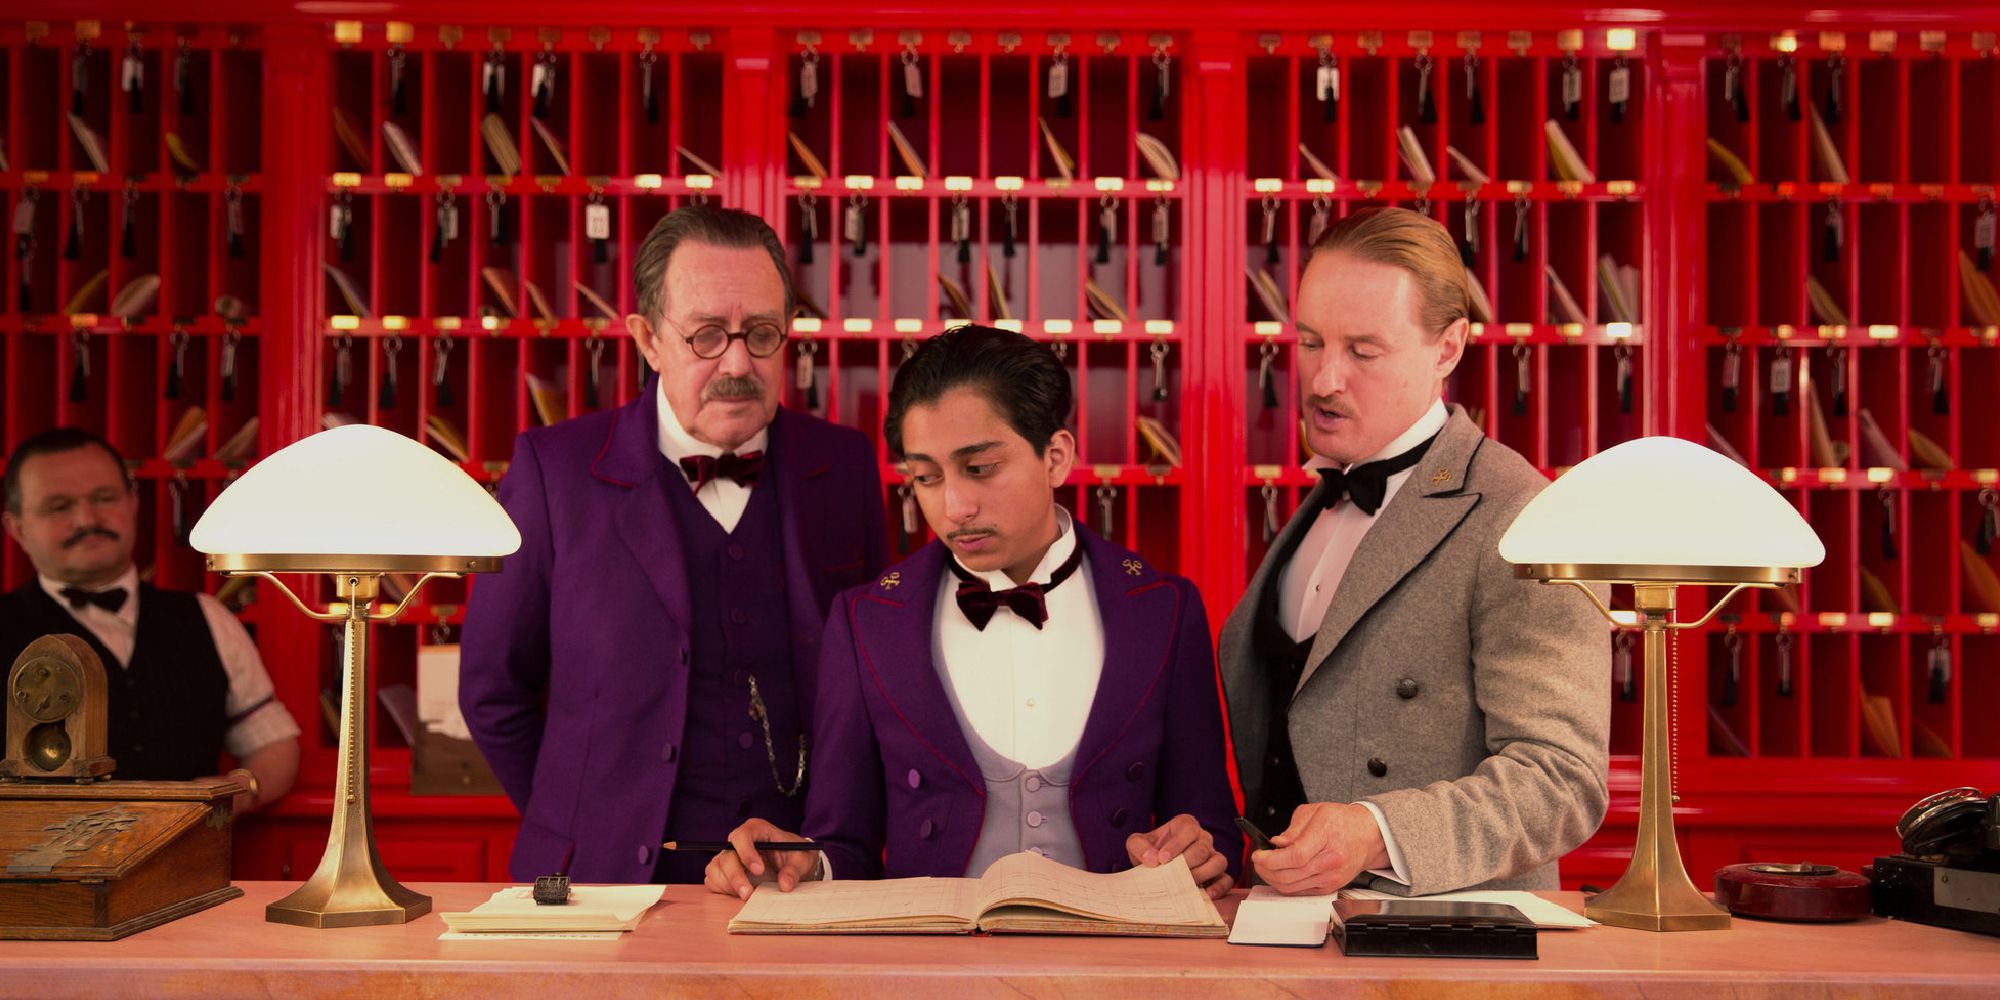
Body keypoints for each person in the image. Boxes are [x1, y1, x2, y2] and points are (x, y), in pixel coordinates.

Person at [702, 324, 1240, 900]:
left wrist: (1199, 853)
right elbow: (845, 844)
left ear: (1055, 457)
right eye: (926, 478)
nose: (954, 506)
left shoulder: (1164, 610)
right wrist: (801, 863)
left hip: (1115, 972)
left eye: (979, 468)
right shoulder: (866, 622)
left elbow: (1213, 835)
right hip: (927, 973)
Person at [461, 204, 888, 884]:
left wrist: (830, 844)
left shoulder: (845, 466)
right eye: (707, 337)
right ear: (648, 339)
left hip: (797, 883)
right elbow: (492, 690)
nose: (739, 363)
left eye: (763, 334)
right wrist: (580, 823)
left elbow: (875, 682)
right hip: (599, 886)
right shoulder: (553, 472)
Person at [1219, 206, 1610, 897]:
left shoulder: (1520, 513)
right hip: (1289, 928)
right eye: (1310, 342)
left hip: (1439, 947)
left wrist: (1376, 830)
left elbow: (1561, 781)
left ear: (1449, 347)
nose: (1322, 380)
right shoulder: (1321, 499)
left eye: (1363, 352)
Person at [0, 427, 299, 812]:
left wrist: (242, 788)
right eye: (59, 506)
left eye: (104, 497)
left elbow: (274, 743)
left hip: (188, 866)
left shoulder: (207, 616)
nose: (86, 518)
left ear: (132, 503)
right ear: (17, 528)